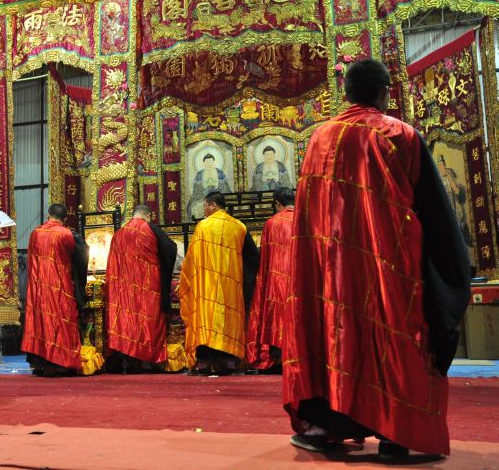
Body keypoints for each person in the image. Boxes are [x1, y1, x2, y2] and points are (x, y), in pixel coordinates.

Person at [283, 59, 470, 460]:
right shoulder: (398, 134)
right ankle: (395, 437)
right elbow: (434, 211)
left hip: (329, 271)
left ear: (346, 94)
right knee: (395, 343)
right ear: (385, 93)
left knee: (335, 340)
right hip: (387, 267)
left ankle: (326, 426)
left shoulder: (319, 138)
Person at [178, 191, 260, 375]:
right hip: (231, 287)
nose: (204, 210)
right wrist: (246, 285)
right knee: (228, 321)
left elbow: (191, 261)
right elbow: (253, 257)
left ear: (213, 205)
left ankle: (206, 362)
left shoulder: (203, 227)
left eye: (205, 206)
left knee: (207, 321)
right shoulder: (239, 227)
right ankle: (229, 362)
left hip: (207, 287)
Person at [104, 204, 177, 373]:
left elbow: (112, 265)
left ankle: (130, 362)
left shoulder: (119, 233)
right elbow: (170, 248)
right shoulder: (150, 229)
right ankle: (149, 361)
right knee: (147, 321)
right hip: (148, 286)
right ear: (148, 216)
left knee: (126, 322)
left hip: (123, 289)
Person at [22, 203, 90, 376]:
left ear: (48, 215)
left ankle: (40, 364)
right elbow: (80, 261)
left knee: (40, 322)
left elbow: (31, 261)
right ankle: (61, 364)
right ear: (65, 219)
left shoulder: (35, 233)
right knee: (61, 322)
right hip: (60, 286)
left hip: (38, 287)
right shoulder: (66, 234)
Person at [245, 187, 295, 373]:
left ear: (277, 203)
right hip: (298, 280)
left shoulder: (272, 223)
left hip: (276, 279)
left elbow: (264, 258)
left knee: (277, 318)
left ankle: (279, 360)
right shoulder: (304, 220)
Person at [435, 155, 472, 249]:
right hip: (444, 206)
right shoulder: (436, 177)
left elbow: (457, 191)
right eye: (439, 165)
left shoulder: (449, 174)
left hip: (454, 206)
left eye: (442, 164)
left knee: (459, 228)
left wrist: (449, 178)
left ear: (444, 165)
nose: (441, 167)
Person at [187, 152, 232, 220]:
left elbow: (225, 188)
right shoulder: (199, 174)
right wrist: (205, 192)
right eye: (207, 162)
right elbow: (196, 192)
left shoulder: (220, 173)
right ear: (204, 163)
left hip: (219, 199)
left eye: (211, 162)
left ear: (214, 162)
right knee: (196, 207)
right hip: (203, 200)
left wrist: (216, 192)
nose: (209, 164)